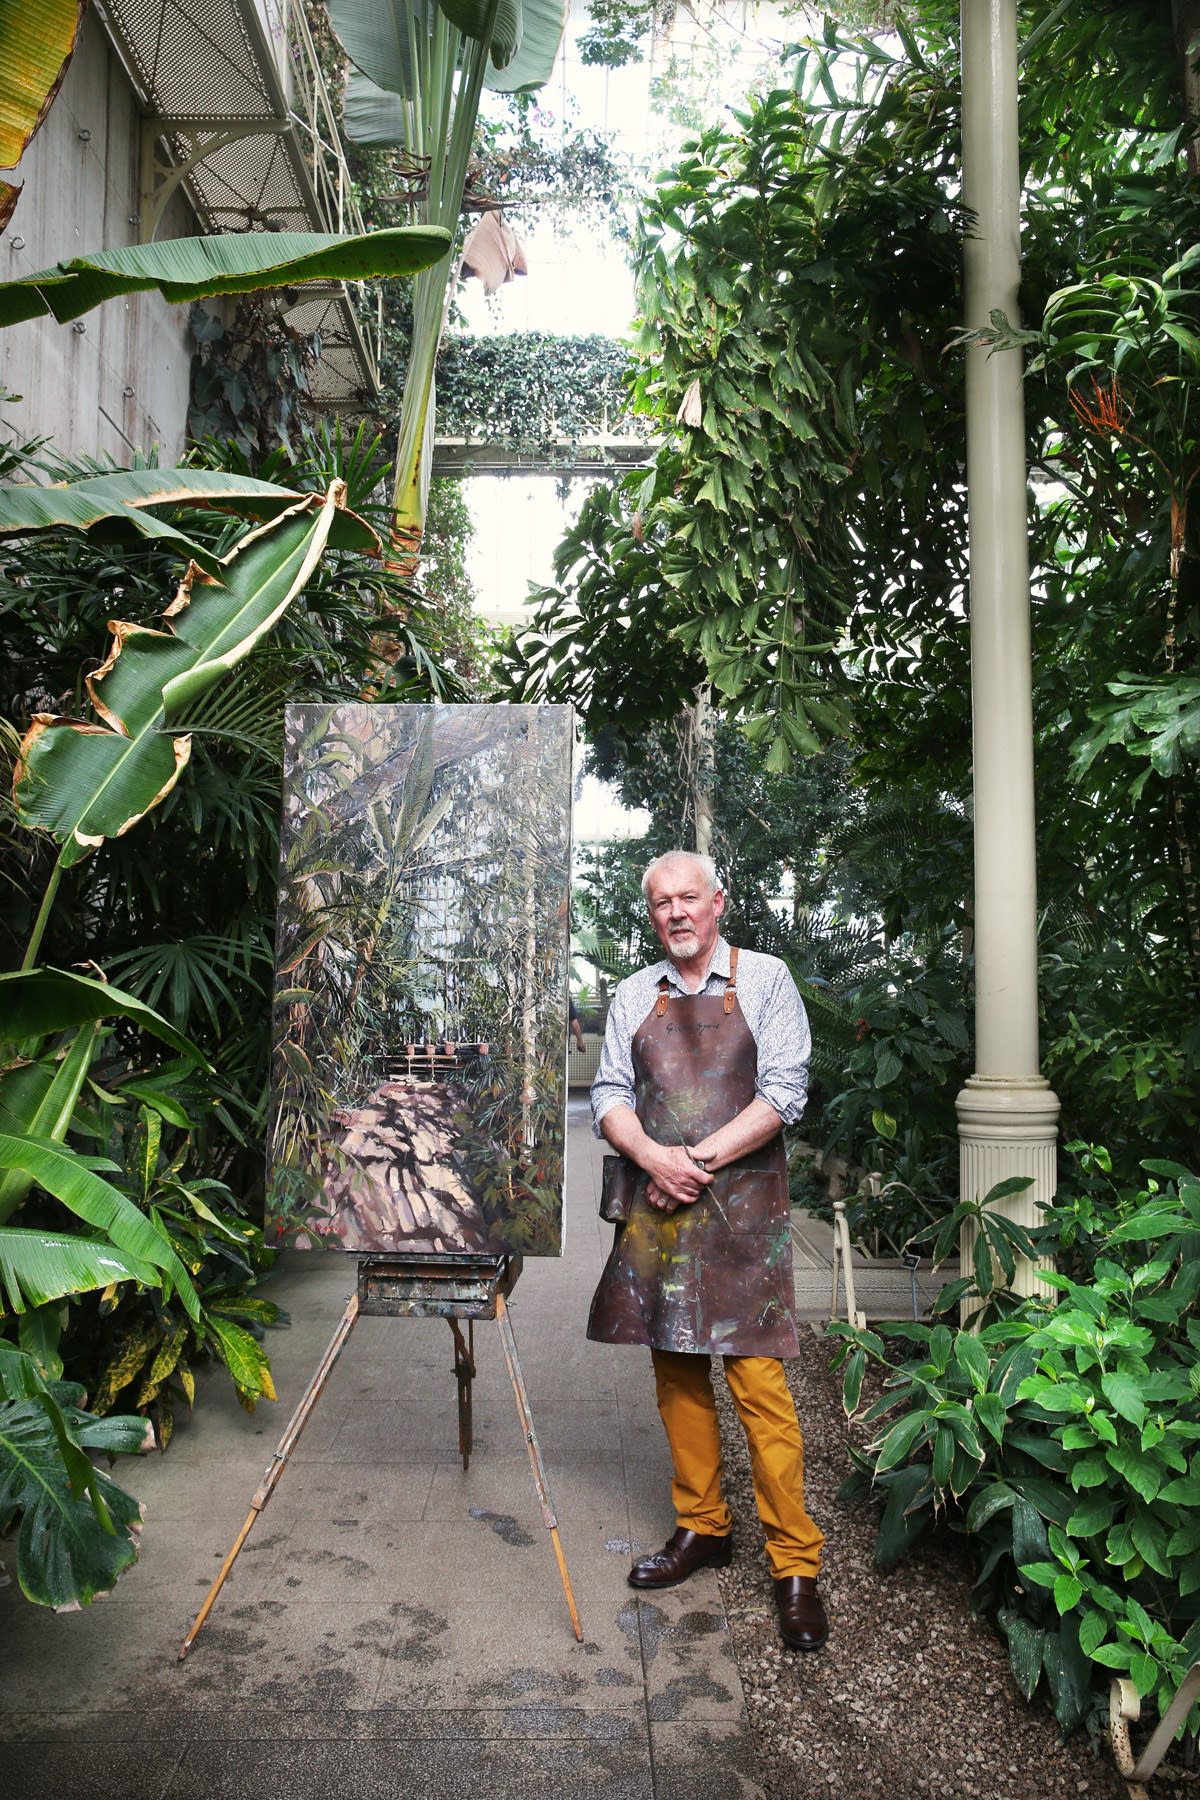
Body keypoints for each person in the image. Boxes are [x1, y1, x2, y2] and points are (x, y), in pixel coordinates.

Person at [587, 850, 828, 1652]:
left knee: (759, 1385)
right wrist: (654, 1159)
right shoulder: (631, 995)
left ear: (718, 902)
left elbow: (785, 1091)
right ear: (652, 915)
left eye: (689, 897)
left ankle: (795, 1565)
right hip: (660, 1212)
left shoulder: (764, 979)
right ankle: (703, 1526)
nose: (676, 912)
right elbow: (610, 1096)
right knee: (676, 1372)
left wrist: (692, 1162)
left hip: (741, 1213)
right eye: (662, 903)